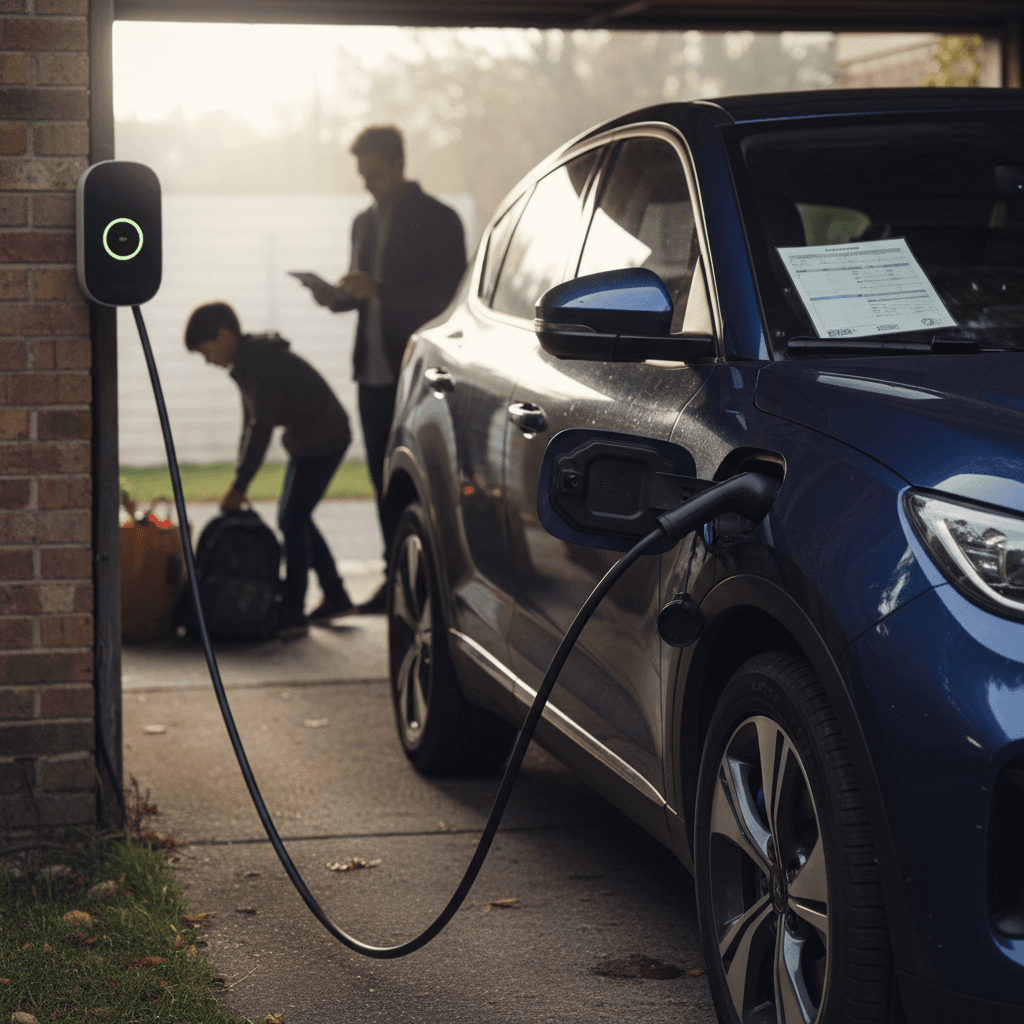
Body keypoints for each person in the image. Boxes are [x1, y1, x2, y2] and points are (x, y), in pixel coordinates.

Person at [306, 124, 466, 612]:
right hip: (370, 374)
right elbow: (361, 297)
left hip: (419, 372)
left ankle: (434, 577)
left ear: (398, 164)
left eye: (373, 173)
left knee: (422, 477)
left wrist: (381, 291)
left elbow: (450, 295)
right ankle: (395, 574)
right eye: (360, 174)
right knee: (382, 477)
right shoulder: (362, 223)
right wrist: (333, 297)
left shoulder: (439, 219)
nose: (365, 183)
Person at [184, 301, 355, 635]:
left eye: (206, 353)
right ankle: (335, 595)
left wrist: (240, 486)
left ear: (223, 336)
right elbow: (250, 424)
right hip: (309, 440)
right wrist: (238, 480)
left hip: (326, 438)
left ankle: (293, 612)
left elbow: (261, 429)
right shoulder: (246, 363)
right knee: (296, 517)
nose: (208, 361)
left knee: (292, 518)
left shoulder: (261, 362)